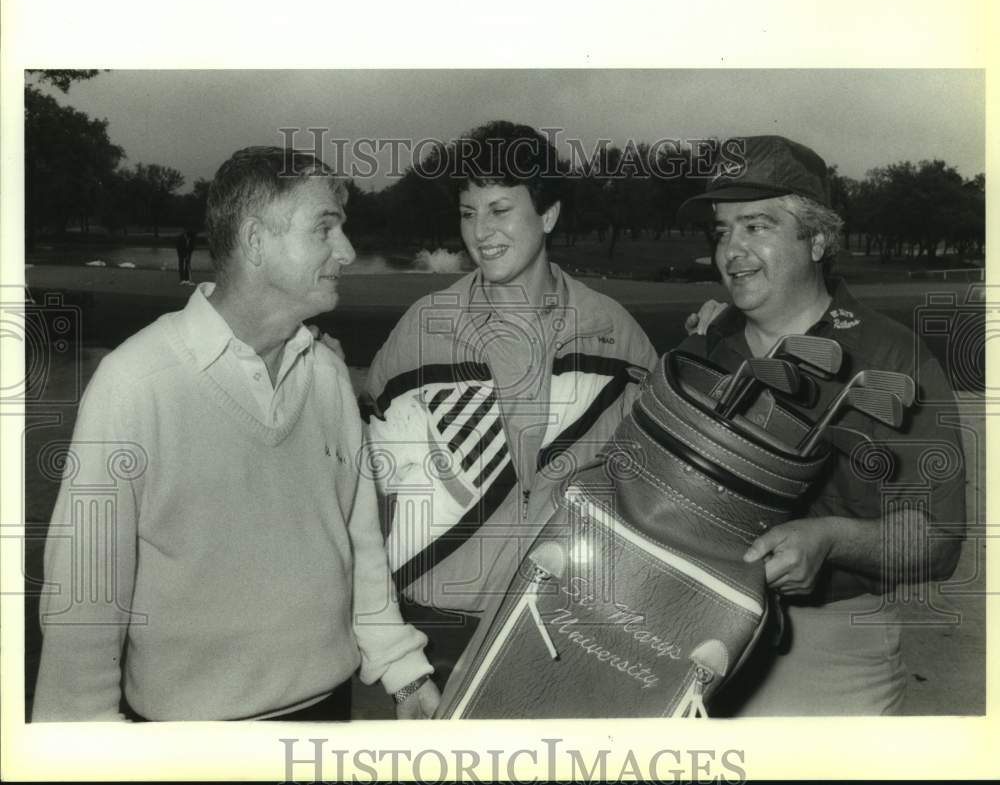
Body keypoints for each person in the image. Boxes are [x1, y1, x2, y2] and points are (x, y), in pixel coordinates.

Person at [33, 146, 439, 722]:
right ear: (254, 241)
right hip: (192, 742)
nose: (346, 252)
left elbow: (357, 541)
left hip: (328, 714)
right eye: (325, 229)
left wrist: (403, 670)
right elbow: (85, 597)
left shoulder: (325, 372)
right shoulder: (135, 383)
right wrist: (88, 742)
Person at [675, 134, 966, 715]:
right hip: (690, 625)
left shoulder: (892, 358)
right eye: (722, 230)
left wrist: (831, 540)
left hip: (827, 651)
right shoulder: (701, 348)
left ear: (819, 238)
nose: (732, 249)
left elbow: (938, 541)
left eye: (756, 226)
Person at [364, 121, 659, 681]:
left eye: (499, 209)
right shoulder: (422, 328)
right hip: (437, 620)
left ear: (547, 215)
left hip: (562, 619)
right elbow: (367, 491)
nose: (480, 232)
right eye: (468, 212)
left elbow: (648, 476)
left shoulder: (612, 331)